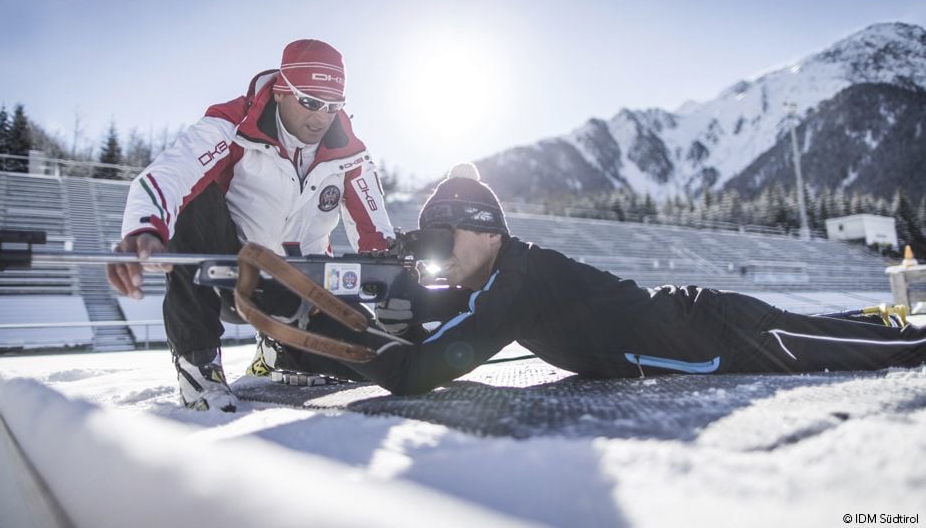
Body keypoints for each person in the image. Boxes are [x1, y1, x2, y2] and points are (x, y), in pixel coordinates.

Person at [336, 163, 926, 395]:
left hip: (717, 337)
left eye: (445, 241)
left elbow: (415, 371)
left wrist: (330, 328)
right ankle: (877, 319)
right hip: (703, 324)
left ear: (489, 232)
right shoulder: (501, 273)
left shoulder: (513, 283)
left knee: (882, 353)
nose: (437, 258)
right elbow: (431, 311)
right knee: (833, 334)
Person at [107, 39, 394, 412]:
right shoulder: (232, 124)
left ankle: (281, 352)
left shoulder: (349, 153)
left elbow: (377, 235)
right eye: (309, 101)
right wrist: (143, 229)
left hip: (303, 286)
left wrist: (395, 285)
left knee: (368, 360)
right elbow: (171, 173)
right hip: (229, 275)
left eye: (333, 105)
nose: (321, 117)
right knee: (196, 196)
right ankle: (198, 364)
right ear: (281, 91)